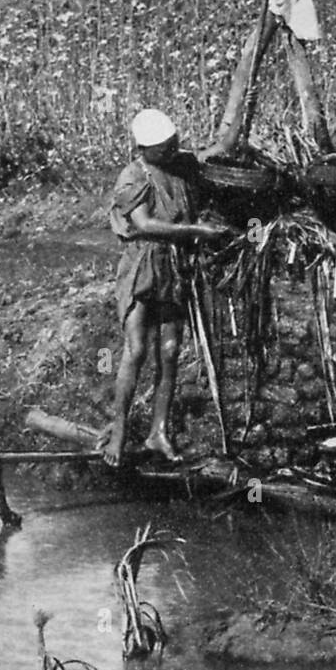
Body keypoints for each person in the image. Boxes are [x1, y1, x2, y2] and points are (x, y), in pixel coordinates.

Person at [103, 108, 233, 467]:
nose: (173, 149)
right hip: (144, 264)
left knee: (171, 350)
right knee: (138, 348)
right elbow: (143, 224)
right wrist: (195, 232)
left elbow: (223, 144)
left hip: (174, 266)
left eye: (173, 143)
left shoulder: (182, 167)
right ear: (146, 148)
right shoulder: (133, 177)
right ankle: (119, 430)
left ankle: (157, 431)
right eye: (165, 146)